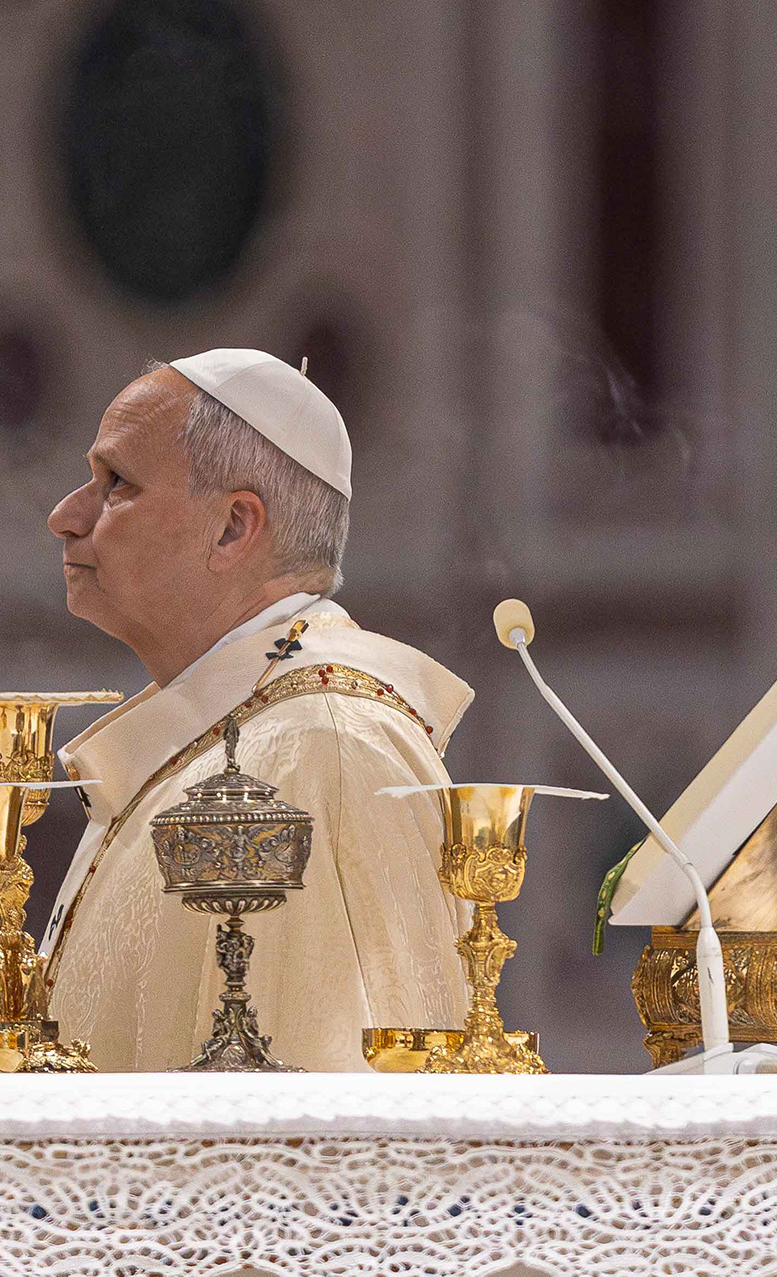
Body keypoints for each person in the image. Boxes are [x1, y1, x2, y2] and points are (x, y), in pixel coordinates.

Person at [40, 349, 470, 1071]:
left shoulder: (321, 748)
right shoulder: (237, 735)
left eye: (116, 484)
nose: (65, 516)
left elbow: (303, 1135)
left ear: (234, 528)